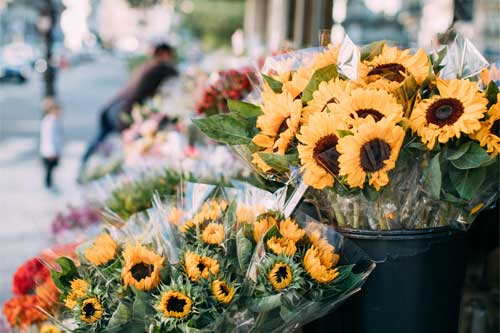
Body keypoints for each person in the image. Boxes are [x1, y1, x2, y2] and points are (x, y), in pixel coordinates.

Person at [78, 43, 178, 178]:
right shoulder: (161, 69)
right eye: (169, 54)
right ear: (164, 54)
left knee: (100, 142)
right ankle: (89, 174)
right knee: (118, 151)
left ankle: (83, 170)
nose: (171, 58)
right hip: (122, 112)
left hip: (113, 108)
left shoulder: (146, 68)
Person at [40, 97, 63, 190]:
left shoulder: (50, 120)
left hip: (48, 150)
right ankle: (48, 186)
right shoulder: (51, 121)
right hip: (50, 151)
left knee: (50, 170)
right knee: (49, 170)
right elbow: (50, 137)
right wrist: (53, 151)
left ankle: (49, 185)